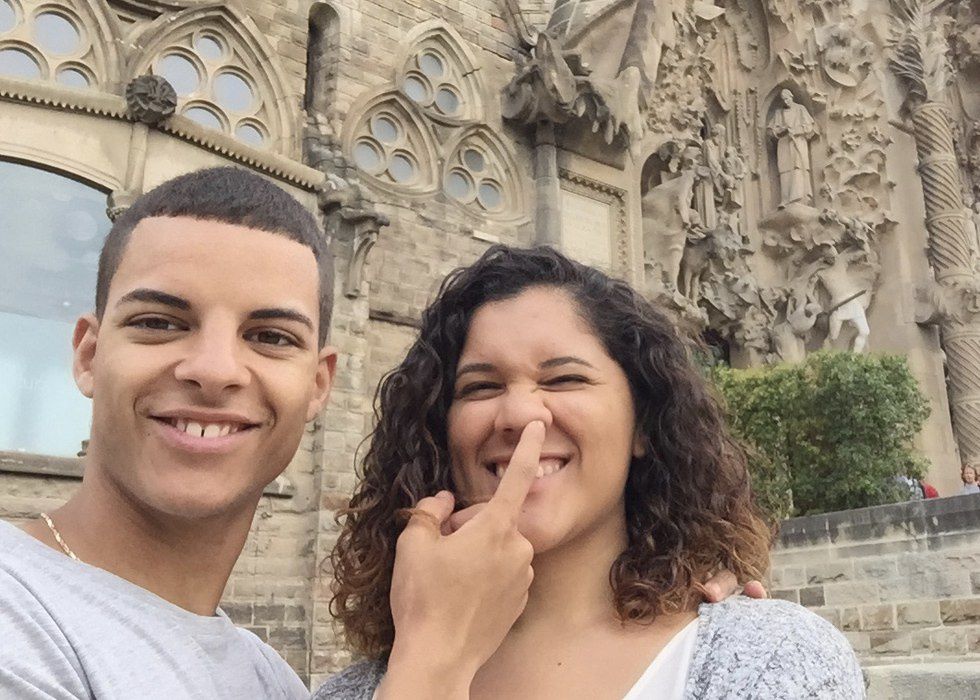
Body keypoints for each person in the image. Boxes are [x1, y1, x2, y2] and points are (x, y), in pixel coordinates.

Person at [0, 168, 751, 699]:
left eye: (270, 336)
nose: (215, 369)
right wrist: (434, 659)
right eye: (161, 323)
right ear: (88, 354)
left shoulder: (277, 685)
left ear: (318, 383)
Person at [320, 246, 864, 699]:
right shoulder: (355, 692)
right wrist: (429, 659)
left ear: (643, 424)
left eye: (564, 380)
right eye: (480, 387)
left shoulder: (766, 662)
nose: (518, 415)